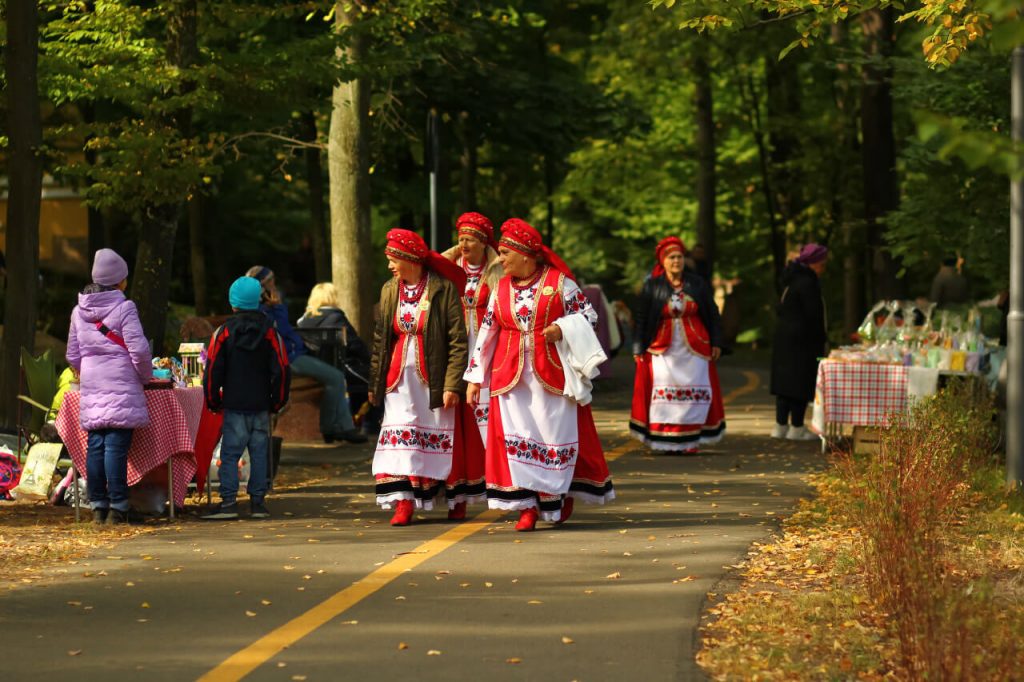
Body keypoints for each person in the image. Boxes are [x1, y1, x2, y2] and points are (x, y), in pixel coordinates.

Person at [465, 218, 615, 532]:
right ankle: (526, 507)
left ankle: (556, 497)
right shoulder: (501, 288)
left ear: (524, 254)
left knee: (552, 437)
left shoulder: (559, 283)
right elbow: (488, 331)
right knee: (519, 440)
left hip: (552, 375)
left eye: (505, 253)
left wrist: (562, 328)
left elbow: (588, 315)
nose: (500, 259)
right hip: (510, 377)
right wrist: (475, 378)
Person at [368, 228, 484, 525]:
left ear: (410, 258)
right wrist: (375, 383)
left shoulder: (442, 289)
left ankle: (455, 499)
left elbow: (458, 341)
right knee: (401, 435)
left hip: (432, 378)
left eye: (393, 259)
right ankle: (404, 502)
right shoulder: (388, 289)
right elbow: (381, 339)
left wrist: (452, 385)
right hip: (398, 380)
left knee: (437, 437)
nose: (390, 266)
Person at [66, 248, 152, 525]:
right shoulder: (125, 308)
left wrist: (86, 371)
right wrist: (144, 376)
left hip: (92, 383)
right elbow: (138, 350)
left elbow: (72, 354)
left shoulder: (79, 311)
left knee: (96, 445)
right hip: (122, 381)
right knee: (115, 446)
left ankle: (98, 507)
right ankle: (118, 506)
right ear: (119, 281)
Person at [201, 277, 291, 520]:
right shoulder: (271, 332)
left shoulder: (224, 333)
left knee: (230, 454)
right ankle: (258, 503)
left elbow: (212, 370)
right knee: (260, 453)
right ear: (258, 302)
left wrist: (212, 400)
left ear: (233, 304)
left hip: (234, 404)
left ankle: (229, 502)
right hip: (261, 404)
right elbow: (281, 369)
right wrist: (277, 401)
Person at [246, 266, 366, 444]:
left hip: (293, 354)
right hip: (288, 359)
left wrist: (277, 306)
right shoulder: (258, 310)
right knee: (336, 377)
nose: (274, 285)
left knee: (334, 378)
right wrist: (276, 307)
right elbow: (277, 334)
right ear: (262, 286)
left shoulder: (271, 307)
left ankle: (337, 428)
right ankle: (336, 428)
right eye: (270, 282)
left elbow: (286, 330)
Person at [629, 237, 726, 453]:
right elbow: (642, 318)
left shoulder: (697, 283)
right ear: (663, 261)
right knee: (664, 391)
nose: (676, 261)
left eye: (680, 257)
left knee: (693, 391)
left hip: (695, 347)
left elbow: (712, 313)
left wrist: (717, 341)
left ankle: (690, 441)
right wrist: (638, 348)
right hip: (662, 348)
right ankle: (665, 438)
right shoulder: (652, 286)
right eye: (671, 257)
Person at [441, 211, 504, 444]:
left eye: (469, 240)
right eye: (460, 239)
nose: (463, 244)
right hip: (455, 341)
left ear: (482, 242)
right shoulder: (448, 267)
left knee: (482, 396)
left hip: (485, 341)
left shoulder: (497, 269)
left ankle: (487, 454)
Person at [297, 282, 376, 433]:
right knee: (377, 381)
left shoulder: (303, 321)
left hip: (315, 368)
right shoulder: (336, 318)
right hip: (343, 368)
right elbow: (355, 345)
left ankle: (355, 420)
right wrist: (370, 359)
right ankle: (370, 426)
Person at [770, 243, 828, 440]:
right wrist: (822, 340)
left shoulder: (791, 280)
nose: (824, 267)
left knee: (784, 385)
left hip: (784, 338)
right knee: (800, 384)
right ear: (813, 263)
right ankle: (796, 426)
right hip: (803, 340)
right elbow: (814, 316)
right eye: (822, 263)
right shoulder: (808, 283)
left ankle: (780, 425)